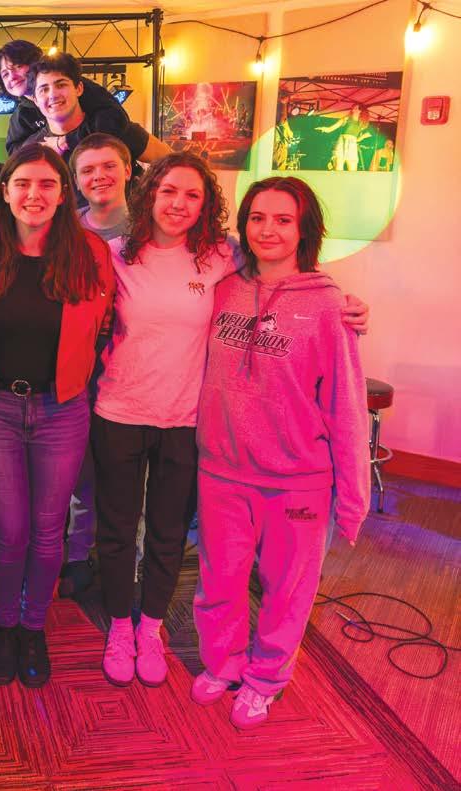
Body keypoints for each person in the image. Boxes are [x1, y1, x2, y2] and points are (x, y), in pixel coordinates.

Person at [92, 153, 370, 690]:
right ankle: (121, 630)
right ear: (148, 193)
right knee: (119, 531)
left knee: (169, 534)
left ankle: (151, 629)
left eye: (193, 195)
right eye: (168, 191)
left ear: (207, 206)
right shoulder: (116, 255)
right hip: (123, 414)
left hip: (187, 421)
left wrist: (349, 306)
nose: (178, 204)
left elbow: (291, 278)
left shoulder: (221, 256)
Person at [192, 177, 369, 729]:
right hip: (221, 470)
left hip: (297, 479)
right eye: (257, 217)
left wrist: (354, 499)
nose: (267, 230)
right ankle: (223, 662)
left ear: (304, 230)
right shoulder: (224, 289)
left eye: (283, 220)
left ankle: (266, 678)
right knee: (219, 579)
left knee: (287, 589)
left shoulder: (329, 306)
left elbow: (347, 406)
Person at [0, 143, 114, 687]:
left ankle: (34, 627)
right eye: (23, 184)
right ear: (5, 192)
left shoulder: (90, 252)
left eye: (47, 184)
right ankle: (5, 624)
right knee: (9, 531)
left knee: (49, 531)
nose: (34, 194)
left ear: (62, 194)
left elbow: (109, 319)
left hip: (62, 409)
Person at [57, 132, 136, 601]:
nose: (99, 176)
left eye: (108, 166)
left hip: (138, 374)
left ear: (128, 170)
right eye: (87, 170)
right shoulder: (66, 230)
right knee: (80, 474)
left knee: (128, 480)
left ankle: (127, 562)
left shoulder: (152, 227)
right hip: (82, 372)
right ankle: (79, 554)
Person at [0, 40, 168, 161]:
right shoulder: (22, 115)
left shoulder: (83, 90)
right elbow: (15, 155)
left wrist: (66, 141)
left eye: (18, 66)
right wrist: (42, 148)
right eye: (5, 74)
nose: (12, 77)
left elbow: (116, 119)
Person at [25, 54, 170, 176]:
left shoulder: (113, 129)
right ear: (35, 100)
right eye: (44, 89)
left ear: (79, 88)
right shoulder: (32, 149)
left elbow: (173, 162)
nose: (53, 95)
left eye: (61, 85)